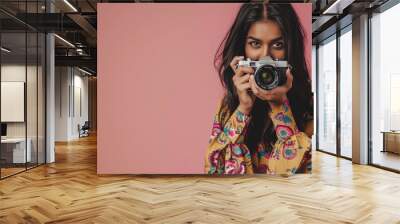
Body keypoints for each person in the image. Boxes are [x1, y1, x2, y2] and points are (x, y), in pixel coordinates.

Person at [204, 2, 313, 175]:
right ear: (242, 51)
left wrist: (280, 106)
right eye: (255, 44)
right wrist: (243, 108)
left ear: (291, 50)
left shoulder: (310, 106)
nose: (265, 58)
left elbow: (302, 177)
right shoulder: (228, 106)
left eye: (278, 45)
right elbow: (214, 172)